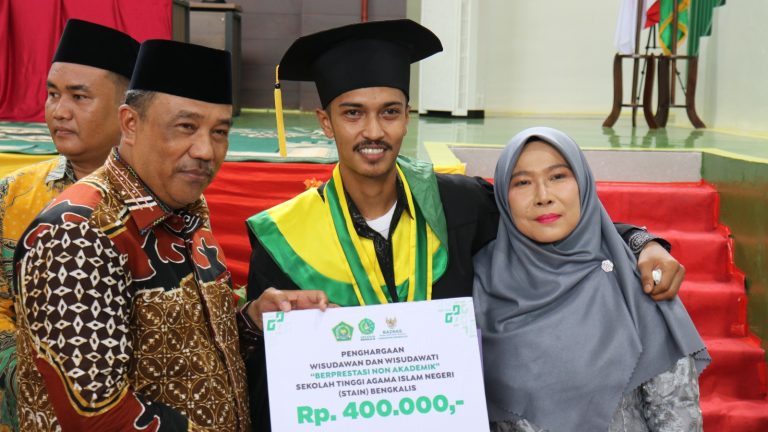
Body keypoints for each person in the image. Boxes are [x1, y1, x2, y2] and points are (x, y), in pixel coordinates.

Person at [245, 19, 685, 431]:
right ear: (326, 122)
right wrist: (253, 321)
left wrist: (641, 243)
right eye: (353, 113)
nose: (374, 131)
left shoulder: (457, 203)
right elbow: (271, 379)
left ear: (407, 117)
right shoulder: (284, 237)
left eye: (390, 112)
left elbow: (548, 219)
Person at [13, 39, 327, 432]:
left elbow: (187, 345)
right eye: (186, 127)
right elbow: (98, 416)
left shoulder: (186, 205)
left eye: (219, 132)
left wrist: (252, 320)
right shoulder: (77, 234)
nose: (205, 150)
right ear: (131, 123)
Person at [473, 127, 710, 432]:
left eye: (558, 176)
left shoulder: (636, 281)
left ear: (583, 184)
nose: (543, 196)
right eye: (522, 182)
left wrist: (643, 243)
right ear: (503, 198)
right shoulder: (478, 285)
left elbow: (677, 418)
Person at [0, 19, 139, 431]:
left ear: (127, 113)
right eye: (52, 94)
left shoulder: (157, 200)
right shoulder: (12, 194)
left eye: (79, 97)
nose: (59, 111)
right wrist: (28, 374)